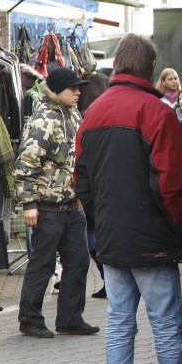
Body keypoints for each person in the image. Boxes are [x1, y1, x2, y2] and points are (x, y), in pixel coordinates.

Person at [75, 34, 182, 364]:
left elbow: (82, 180)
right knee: (167, 328)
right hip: (153, 240)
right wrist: (178, 230)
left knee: (120, 325)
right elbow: (173, 183)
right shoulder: (158, 112)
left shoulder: (92, 113)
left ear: (120, 62)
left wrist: (101, 220)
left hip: (112, 240)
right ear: (150, 66)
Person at [14, 67, 99, 339]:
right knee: (43, 264)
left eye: (79, 88)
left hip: (72, 205)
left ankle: (70, 318)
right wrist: (29, 204)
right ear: (57, 90)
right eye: (73, 88)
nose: (78, 92)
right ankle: (29, 319)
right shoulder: (42, 120)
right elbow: (26, 165)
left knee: (78, 262)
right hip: (48, 206)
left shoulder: (72, 115)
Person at [77, 59, 110, 299]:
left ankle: (110, 282)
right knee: (94, 240)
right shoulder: (101, 96)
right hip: (96, 186)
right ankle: (110, 282)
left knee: (94, 240)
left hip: (91, 188)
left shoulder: (87, 115)